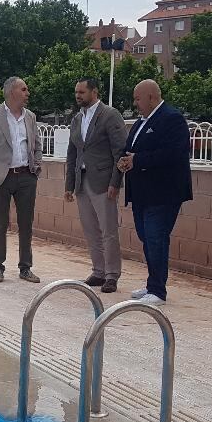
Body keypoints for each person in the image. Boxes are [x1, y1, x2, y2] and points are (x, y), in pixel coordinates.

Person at [117, 79, 192, 305]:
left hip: (163, 193)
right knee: (145, 236)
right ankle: (152, 283)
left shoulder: (171, 119)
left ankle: (158, 290)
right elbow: (131, 148)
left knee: (156, 238)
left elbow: (173, 153)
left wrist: (137, 160)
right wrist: (124, 159)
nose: (135, 103)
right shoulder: (141, 122)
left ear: (151, 97)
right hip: (142, 193)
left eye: (138, 98)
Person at [64, 78, 127, 294]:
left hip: (103, 182)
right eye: (76, 92)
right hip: (82, 181)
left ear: (94, 92)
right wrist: (69, 185)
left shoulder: (110, 115)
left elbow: (120, 151)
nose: (78, 96)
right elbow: (72, 154)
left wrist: (115, 182)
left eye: (82, 92)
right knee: (91, 230)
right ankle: (98, 271)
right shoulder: (76, 119)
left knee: (108, 230)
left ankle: (111, 275)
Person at [0, 76, 43, 284]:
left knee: (26, 225)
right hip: (2, 178)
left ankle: (25, 268)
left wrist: (37, 167)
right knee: (0, 224)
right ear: (12, 92)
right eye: (24, 89)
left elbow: (37, 144)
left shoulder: (30, 116)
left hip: (26, 176)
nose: (27, 93)